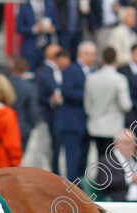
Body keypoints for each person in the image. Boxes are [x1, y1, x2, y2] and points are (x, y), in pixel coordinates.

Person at [57, 41, 95, 183]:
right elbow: (67, 91)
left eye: (93, 55)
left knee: (83, 164)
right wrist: (88, 96)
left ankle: (81, 192)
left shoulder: (93, 71)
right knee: (72, 163)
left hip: (87, 125)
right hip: (72, 125)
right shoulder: (72, 70)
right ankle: (72, 193)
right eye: (89, 54)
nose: (92, 58)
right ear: (80, 55)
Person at [85, 47, 131, 159]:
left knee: (99, 157)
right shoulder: (119, 79)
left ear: (101, 60)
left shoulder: (91, 78)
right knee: (111, 161)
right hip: (113, 127)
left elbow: (87, 105)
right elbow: (126, 105)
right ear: (116, 60)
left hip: (95, 126)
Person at [35, 46, 68, 174]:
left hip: (60, 116)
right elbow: (39, 94)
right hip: (48, 116)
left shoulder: (61, 71)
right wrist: (51, 99)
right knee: (50, 148)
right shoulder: (43, 71)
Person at [93, 129, 137, 202]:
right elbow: (103, 182)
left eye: (134, 143)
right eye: (128, 143)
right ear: (117, 144)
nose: (132, 146)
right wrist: (129, 179)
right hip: (121, 200)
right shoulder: (106, 160)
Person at [8, 56, 41, 151]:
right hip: (23, 128)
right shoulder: (30, 87)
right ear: (26, 69)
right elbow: (33, 110)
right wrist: (34, 124)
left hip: (6, 126)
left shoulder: (6, 83)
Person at [15, 0, 57, 70]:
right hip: (30, 48)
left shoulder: (49, 5)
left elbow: (57, 24)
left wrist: (52, 28)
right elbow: (19, 28)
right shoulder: (25, 7)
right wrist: (34, 29)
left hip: (46, 48)